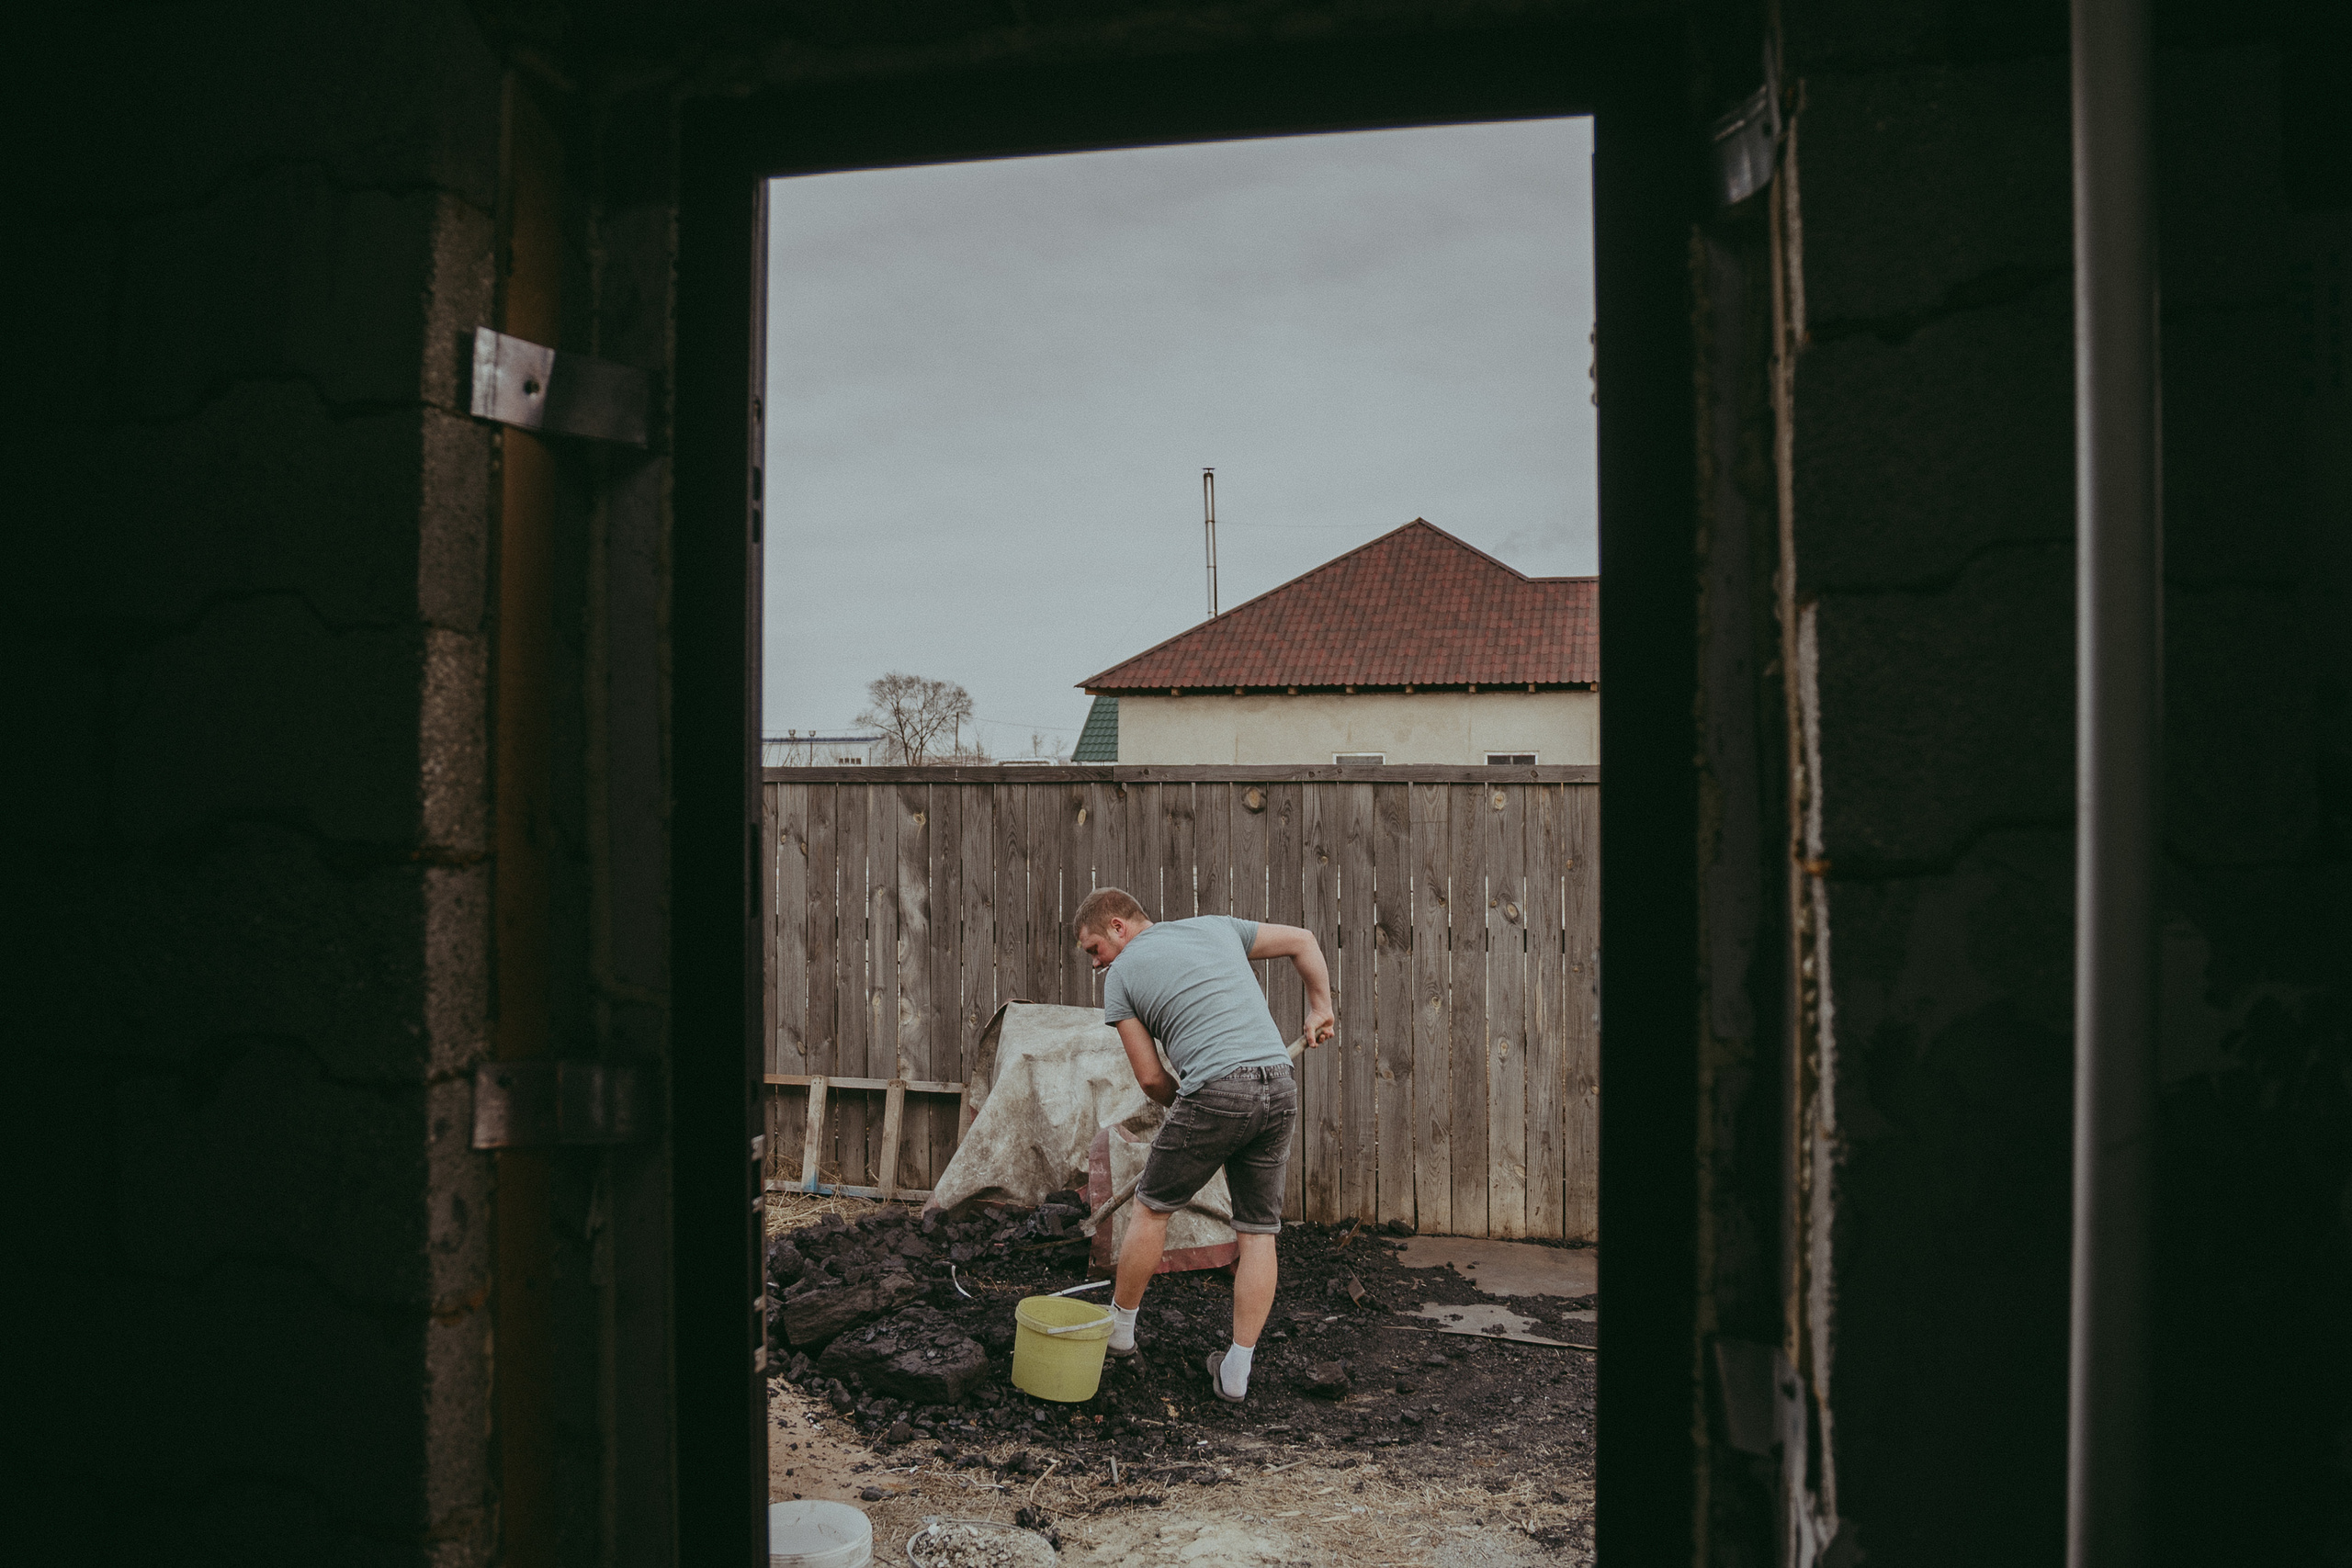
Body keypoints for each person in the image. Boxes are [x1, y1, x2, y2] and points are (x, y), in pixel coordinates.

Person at [1073, 886, 1335, 1403]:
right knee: (1258, 1233)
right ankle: (1235, 1375)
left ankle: (1120, 1336)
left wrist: (1192, 1110)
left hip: (1216, 1086)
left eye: (1094, 950)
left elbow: (1149, 1079)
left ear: (1119, 927)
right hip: (1278, 1085)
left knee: (1151, 1210)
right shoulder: (1217, 927)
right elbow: (1304, 940)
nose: (1096, 964)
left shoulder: (1123, 976)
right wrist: (1320, 1008)